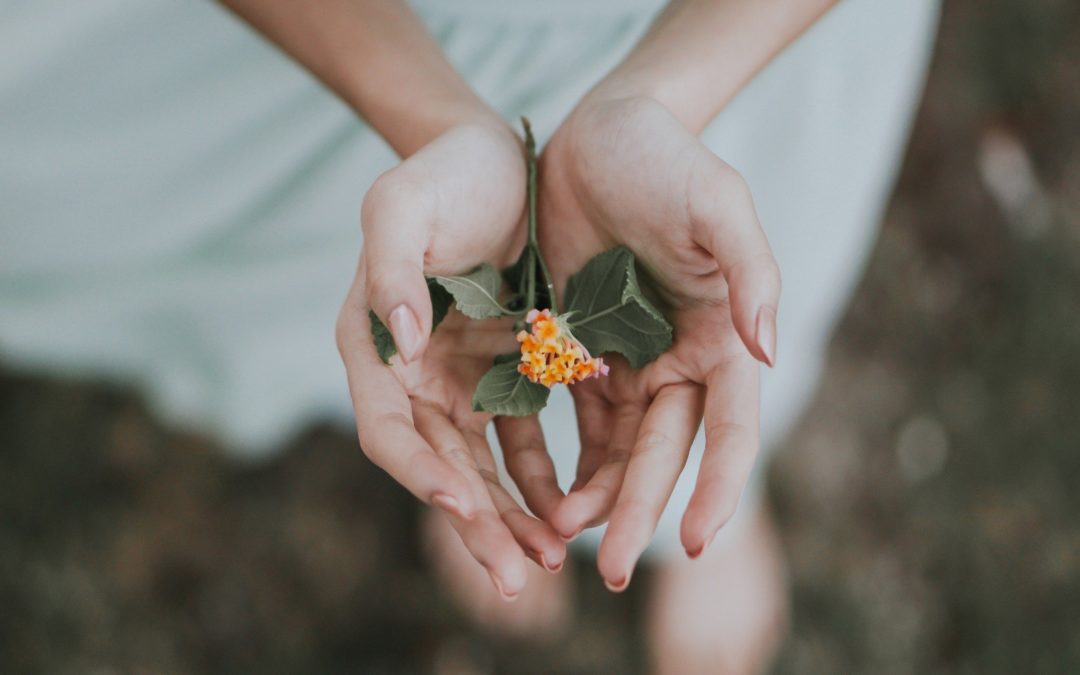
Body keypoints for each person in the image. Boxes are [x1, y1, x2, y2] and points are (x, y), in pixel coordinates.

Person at [0, 0, 939, 671]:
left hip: (734, 41)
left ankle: (709, 519)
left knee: (711, 304)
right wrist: (432, 115)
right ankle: (494, 497)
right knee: (398, 302)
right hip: (368, 47)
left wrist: (656, 97)